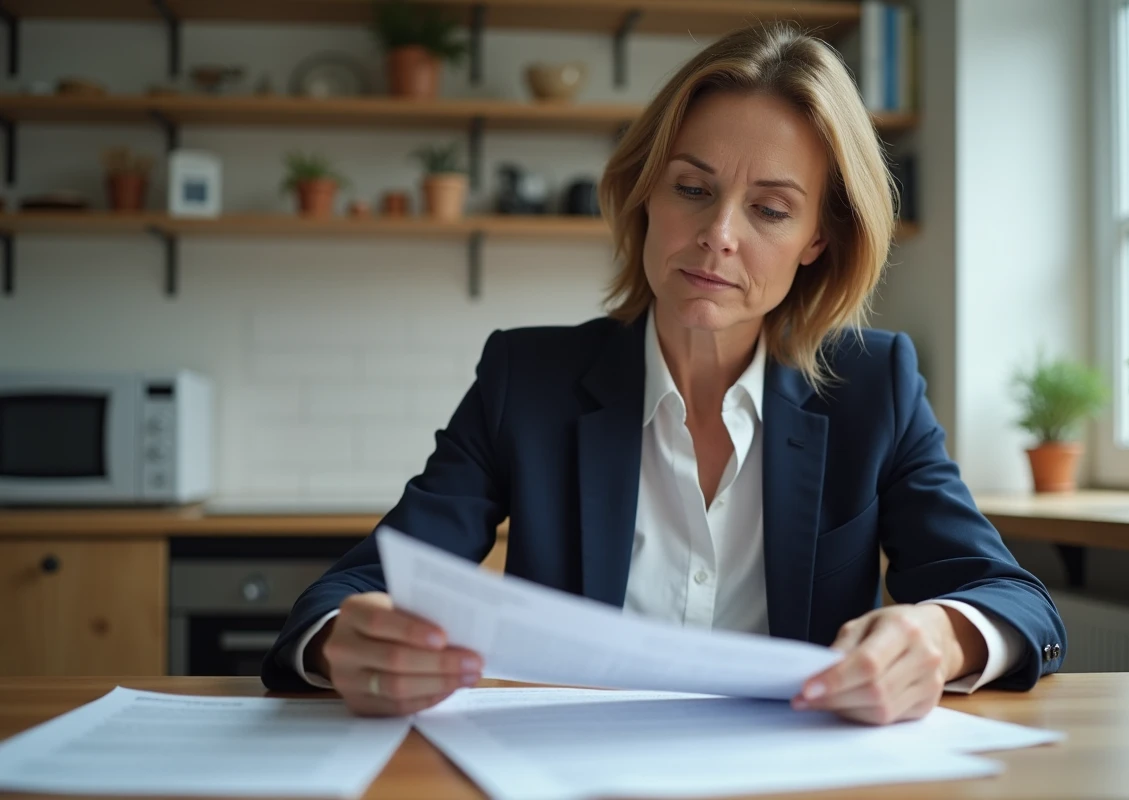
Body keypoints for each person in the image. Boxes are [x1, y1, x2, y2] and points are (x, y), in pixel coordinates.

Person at [262, 23, 1066, 725]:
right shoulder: (526, 379)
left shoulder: (875, 387)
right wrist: (344, 642)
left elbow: (1016, 602)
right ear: (646, 193)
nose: (719, 234)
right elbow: (348, 593)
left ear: (818, 240)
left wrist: (939, 636)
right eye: (692, 188)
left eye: (771, 209)